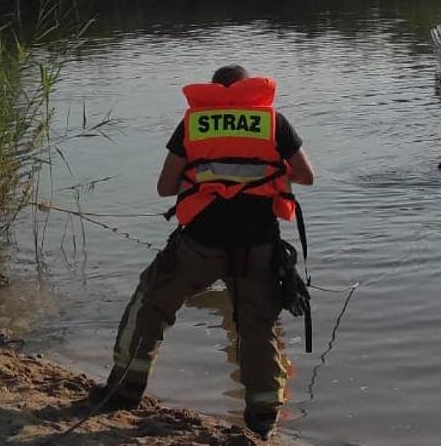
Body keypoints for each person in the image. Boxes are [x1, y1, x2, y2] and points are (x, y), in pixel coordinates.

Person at [96, 65, 316, 437]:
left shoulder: (194, 123)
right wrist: (267, 172)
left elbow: (166, 187)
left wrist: (206, 175)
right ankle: (262, 418)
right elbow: (306, 176)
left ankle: (125, 391)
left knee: (151, 304)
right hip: (258, 246)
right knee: (257, 327)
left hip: (200, 243)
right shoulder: (273, 122)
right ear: (248, 89)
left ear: (214, 90)